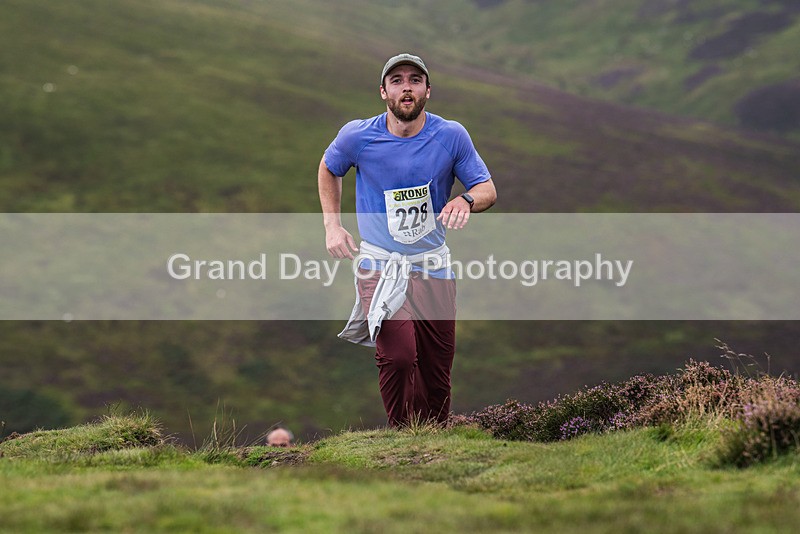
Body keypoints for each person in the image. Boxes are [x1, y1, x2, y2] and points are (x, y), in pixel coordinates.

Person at [318, 53, 496, 427]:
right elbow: (328, 168)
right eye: (397, 80)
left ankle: (432, 438)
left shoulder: (450, 136)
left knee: (436, 367)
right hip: (380, 264)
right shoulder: (358, 136)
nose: (406, 87)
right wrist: (332, 226)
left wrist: (465, 199)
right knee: (399, 356)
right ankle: (401, 432)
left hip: (433, 265)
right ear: (383, 91)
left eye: (415, 80)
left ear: (428, 90)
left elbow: (487, 189)